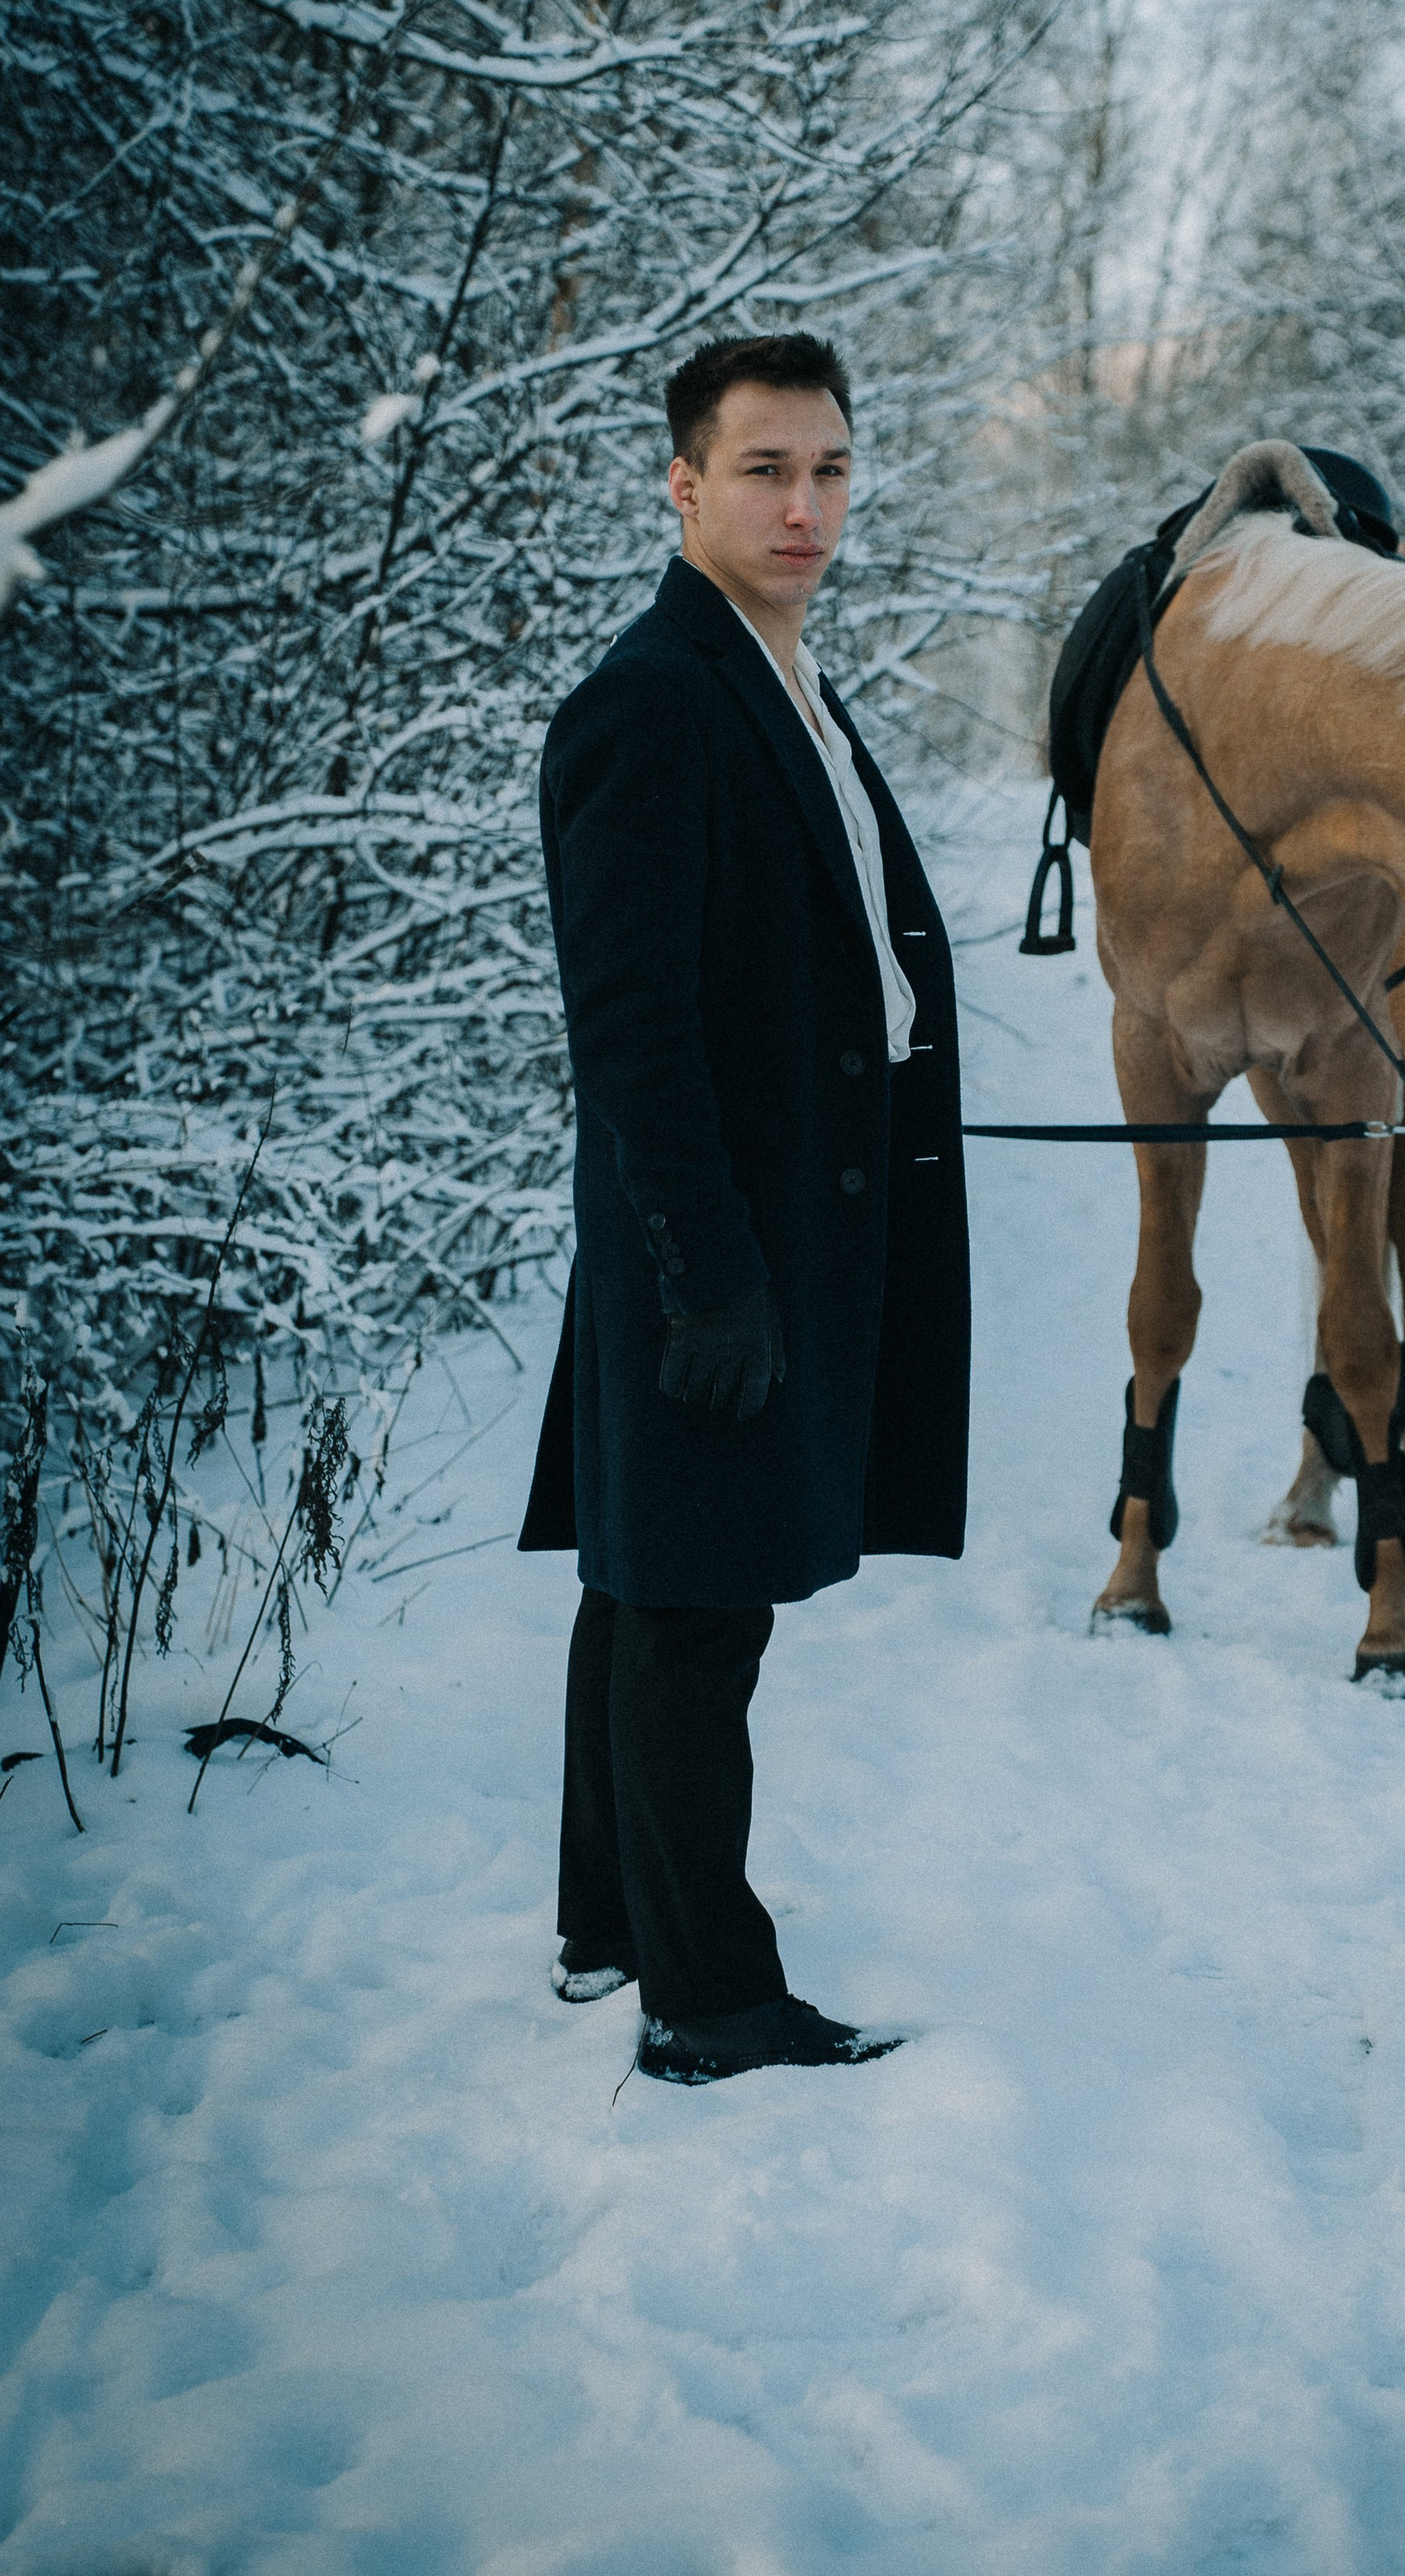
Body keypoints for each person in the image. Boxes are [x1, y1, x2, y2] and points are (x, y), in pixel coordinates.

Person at [517, 330, 971, 2085]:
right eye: (766, 469)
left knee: (650, 1586)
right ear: (683, 484)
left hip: (771, 1214)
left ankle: (605, 1917)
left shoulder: (770, 670)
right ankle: (706, 1998)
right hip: (706, 1237)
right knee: (698, 1610)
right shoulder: (651, 698)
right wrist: (709, 1272)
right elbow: (625, 1029)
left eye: (831, 469)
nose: (805, 504)